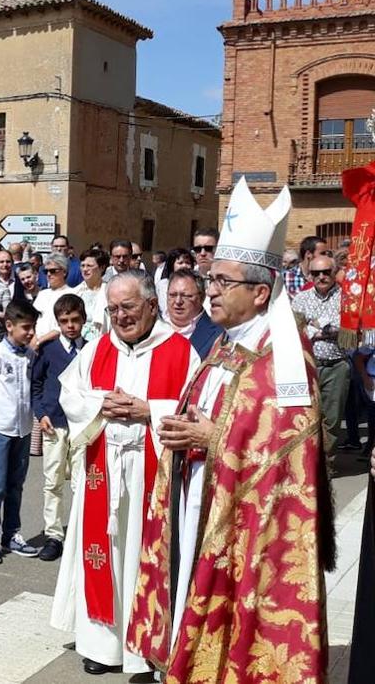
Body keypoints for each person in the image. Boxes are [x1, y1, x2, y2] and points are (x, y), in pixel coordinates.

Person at [129, 180, 332, 683]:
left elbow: (287, 463)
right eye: (210, 278)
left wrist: (211, 438)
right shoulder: (225, 343)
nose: (210, 290)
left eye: (223, 281)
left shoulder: (285, 359)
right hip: (198, 500)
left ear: (260, 292)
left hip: (245, 527)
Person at [51, 270, 198, 677]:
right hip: (104, 472)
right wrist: (101, 404)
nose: (120, 316)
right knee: (104, 556)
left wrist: (149, 409)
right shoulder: (97, 348)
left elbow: (198, 412)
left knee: (143, 558)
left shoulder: (181, 351)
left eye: (128, 307)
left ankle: (145, 653)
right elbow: (69, 394)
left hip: (153, 475)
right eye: (113, 308)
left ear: (152, 304)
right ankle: (103, 645)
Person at [0, 298, 41, 564]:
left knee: (16, 484)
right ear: (9, 325)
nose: (31, 332)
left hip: (23, 428)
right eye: (26, 327)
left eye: (33, 326)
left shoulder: (31, 355)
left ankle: (12, 533)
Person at [31, 294, 86, 563]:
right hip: (54, 424)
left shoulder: (91, 348)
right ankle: (54, 535)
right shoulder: (48, 350)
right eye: (65, 321)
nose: (71, 326)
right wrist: (40, 413)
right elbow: (36, 385)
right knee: (52, 481)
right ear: (58, 323)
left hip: (81, 426)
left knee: (80, 482)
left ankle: (78, 532)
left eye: (75, 320)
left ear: (84, 320)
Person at [292, 252, 348, 454]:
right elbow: (295, 329)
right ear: (309, 275)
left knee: (331, 421)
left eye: (326, 272)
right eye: (316, 273)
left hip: (336, 366)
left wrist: (315, 325)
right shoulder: (300, 298)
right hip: (308, 366)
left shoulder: (346, 298)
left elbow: (346, 331)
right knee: (306, 418)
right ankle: (309, 467)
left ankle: (328, 468)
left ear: (334, 273)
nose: (321, 277)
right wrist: (324, 328)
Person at [163, 269, 222, 358]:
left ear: (202, 297)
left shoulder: (219, 336)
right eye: (172, 295)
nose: (178, 301)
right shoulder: (153, 327)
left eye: (186, 296)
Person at [32, 252, 74, 348]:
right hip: (35, 343)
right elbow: (32, 319)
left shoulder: (71, 294)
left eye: (53, 271)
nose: (49, 274)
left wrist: (40, 341)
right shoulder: (42, 294)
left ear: (64, 272)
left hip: (57, 345)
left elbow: (63, 326)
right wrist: (34, 340)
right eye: (46, 271)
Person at [73, 249, 108, 343]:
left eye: (89, 266)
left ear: (102, 268)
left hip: (101, 340)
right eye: (82, 265)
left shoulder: (109, 292)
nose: (85, 269)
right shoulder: (75, 292)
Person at [154, 248, 195, 314]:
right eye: (180, 263)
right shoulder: (163, 285)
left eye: (187, 263)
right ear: (172, 265)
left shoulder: (195, 284)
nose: (184, 266)